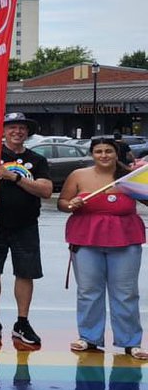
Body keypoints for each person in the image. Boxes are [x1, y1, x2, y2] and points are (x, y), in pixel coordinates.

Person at [0, 112, 53, 346]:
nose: (17, 131)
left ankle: (22, 322)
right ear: (3, 132)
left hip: (25, 225)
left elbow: (45, 190)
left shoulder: (37, 160)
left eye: (22, 127)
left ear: (27, 132)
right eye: (12, 127)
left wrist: (14, 177)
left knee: (25, 273)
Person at [59, 136, 147, 359]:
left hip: (126, 240)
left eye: (109, 151)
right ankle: (89, 337)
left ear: (116, 154)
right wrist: (72, 205)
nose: (104, 155)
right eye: (99, 151)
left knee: (126, 293)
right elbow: (62, 202)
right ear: (92, 154)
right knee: (88, 291)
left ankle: (130, 341)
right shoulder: (78, 175)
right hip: (86, 240)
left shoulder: (130, 176)